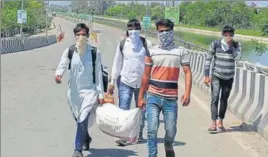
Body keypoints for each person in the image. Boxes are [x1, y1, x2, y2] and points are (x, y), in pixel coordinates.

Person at [138, 18, 192, 157]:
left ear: (172, 31)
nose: (164, 33)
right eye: (161, 31)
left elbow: (187, 72)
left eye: (167, 31)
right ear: (157, 32)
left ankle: (168, 145)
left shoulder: (181, 51)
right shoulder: (151, 51)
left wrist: (187, 93)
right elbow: (145, 75)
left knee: (170, 130)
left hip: (170, 98)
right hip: (153, 96)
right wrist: (140, 97)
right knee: (152, 130)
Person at [55, 23, 104, 157]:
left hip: (89, 91)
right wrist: (58, 74)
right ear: (75, 36)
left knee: (83, 119)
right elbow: (63, 65)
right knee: (78, 119)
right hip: (74, 92)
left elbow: (98, 74)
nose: (81, 37)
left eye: (83, 34)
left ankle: (77, 149)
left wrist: (100, 94)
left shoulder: (95, 52)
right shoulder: (69, 51)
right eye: (78, 35)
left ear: (88, 36)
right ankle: (86, 138)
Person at [107, 19, 152, 146]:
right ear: (127, 29)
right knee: (124, 109)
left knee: (141, 110)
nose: (133, 30)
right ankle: (123, 135)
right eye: (131, 28)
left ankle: (139, 133)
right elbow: (117, 63)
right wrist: (112, 82)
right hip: (125, 81)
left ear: (140, 29)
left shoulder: (147, 44)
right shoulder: (122, 44)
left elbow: (152, 63)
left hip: (142, 83)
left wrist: (151, 81)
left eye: (136, 27)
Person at [204, 25, 242, 132]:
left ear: (233, 36)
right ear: (222, 35)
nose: (228, 37)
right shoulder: (215, 44)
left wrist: (231, 47)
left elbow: (238, 58)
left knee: (224, 99)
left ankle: (220, 121)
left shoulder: (237, 45)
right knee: (215, 98)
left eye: (230, 35)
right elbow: (208, 60)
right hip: (216, 75)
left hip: (229, 77)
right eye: (226, 35)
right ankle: (213, 123)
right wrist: (206, 75)